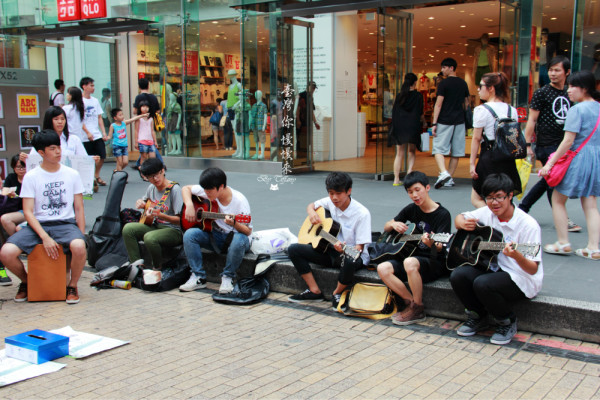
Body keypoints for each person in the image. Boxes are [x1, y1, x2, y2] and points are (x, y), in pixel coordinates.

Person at [450, 173, 543, 345]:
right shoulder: (487, 213)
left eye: (499, 197)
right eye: (489, 198)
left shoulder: (528, 225)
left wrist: (517, 255)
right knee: (458, 275)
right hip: (493, 267)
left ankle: (506, 321)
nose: (494, 203)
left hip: (521, 276)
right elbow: (459, 217)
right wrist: (461, 223)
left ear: (510, 196)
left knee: (482, 283)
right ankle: (478, 316)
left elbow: (532, 269)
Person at [0, 130, 87, 304]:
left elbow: (79, 208)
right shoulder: (31, 177)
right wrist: (44, 236)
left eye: (59, 147)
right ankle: (27, 281)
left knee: (79, 246)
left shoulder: (72, 174)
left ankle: (72, 285)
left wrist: (81, 234)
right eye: (52, 148)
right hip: (39, 225)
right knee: (6, 253)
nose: (58, 151)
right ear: (41, 153)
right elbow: (28, 212)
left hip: (65, 224)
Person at [287, 172, 371, 309]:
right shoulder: (329, 201)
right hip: (330, 251)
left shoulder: (362, 213)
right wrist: (312, 212)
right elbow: (311, 205)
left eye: (338, 193)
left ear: (349, 191)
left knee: (350, 259)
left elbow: (359, 249)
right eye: (331, 193)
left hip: (353, 255)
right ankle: (314, 291)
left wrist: (344, 251)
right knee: (293, 249)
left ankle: (337, 293)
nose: (334, 198)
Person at [539, 70, 600, 260]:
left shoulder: (576, 110)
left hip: (578, 158)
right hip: (595, 158)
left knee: (558, 200)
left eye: (574, 86)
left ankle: (563, 242)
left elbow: (567, 141)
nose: (569, 90)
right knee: (590, 204)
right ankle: (593, 247)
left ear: (585, 89)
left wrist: (550, 163)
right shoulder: (598, 107)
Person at [376, 171, 451, 325]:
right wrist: (393, 224)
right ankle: (412, 304)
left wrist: (431, 244)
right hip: (410, 259)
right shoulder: (411, 209)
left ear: (427, 187)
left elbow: (440, 248)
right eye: (410, 192)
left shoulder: (443, 214)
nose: (414, 195)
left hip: (433, 261)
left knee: (409, 262)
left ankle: (418, 307)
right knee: (383, 268)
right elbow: (386, 226)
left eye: (418, 190)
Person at [519, 56, 581, 232]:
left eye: (557, 70)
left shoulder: (569, 93)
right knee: (552, 179)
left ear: (567, 72)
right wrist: (528, 145)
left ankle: (524, 209)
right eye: (551, 70)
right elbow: (531, 120)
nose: (553, 74)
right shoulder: (542, 92)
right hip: (546, 144)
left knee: (550, 179)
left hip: (564, 144)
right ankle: (559, 217)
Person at [179, 167, 252, 294]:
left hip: (235, 238)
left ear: (221, 186)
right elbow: (186, 188)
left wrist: (234, 223)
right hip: (216, 236)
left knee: (239, 239)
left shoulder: (239, 201)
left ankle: (227, 277)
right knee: (189, 235)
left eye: (210, 190)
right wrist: (190, 205)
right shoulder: (208, 190)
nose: (206, 193)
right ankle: (198, 277)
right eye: (205, 190)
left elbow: (248, 231)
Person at [469, 72, 522, 208]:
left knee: (477, 198)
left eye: (481, 86)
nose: (478, 90)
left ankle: (495, 221)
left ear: (491, 88)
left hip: (489, 157)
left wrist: (471, 164)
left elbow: (476, 139)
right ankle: (506, 223)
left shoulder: (482, 110)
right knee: (504, 197)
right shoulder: (512, 110)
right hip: (507, 159)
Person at [122, 158, 183, 271]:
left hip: (174, 230)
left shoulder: (175, 189)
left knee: (149, 238)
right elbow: (145, 203)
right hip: (155, 225)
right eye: (150, 177)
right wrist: (141, 203)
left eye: (157, 174)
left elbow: (180, 220)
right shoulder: (151, 188)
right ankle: (136, 266)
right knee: (128, 229)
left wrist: (161, 216)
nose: (155, 179)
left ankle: (157, 268)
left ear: (163, 171)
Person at [431, 58, 470, 189]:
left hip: (444, 120)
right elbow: (467, 103)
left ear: (451, 68)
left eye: (444, 67)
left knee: (438, 149)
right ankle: (449, 178)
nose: (442, 70)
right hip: (459, 121)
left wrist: (434, 122)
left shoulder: (443, 84)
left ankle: (443, 173)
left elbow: (438, 104)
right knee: (456, 151)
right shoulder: (463, 83)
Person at [389, 73, 425, 186]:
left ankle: (396, 179)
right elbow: (420, 112)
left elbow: (394, 113)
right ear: (415, 82)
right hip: (412, 125)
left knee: (399, 153)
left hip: (400, 126)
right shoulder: (418, 96)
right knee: (411, 151)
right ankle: (409, 172)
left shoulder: (400, 95)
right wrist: (424, 122)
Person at [0, 155, 27, 286]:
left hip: (27, 211)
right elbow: (4, 192)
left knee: (13, 225)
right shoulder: (11, 178)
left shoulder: (31, 177)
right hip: (14, 211)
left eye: (23, 167)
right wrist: (9, 194)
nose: (21, 170)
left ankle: (18, 245)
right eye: (18, 167)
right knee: (4, 220)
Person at [80, 77, 109, 187]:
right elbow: (79, 119)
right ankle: (89, 178)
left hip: (96, 134)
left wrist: (103, 132)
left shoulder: (95, 101)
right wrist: (87, 132)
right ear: (84, 86)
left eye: (93, 85)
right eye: (91, 85)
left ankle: (96, 175)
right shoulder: (80, 101)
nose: (93, 88)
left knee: (101, 156)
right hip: (84, 136)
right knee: (88, 158)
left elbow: (99, 117)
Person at [295, 81, 320, 161]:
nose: (313, 90)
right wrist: (298, 120)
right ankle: (300, 157)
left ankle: (305, 158)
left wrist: (315, 122)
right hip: (302, 122)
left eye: (314, 88)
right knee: (301, 140)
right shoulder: (302, 95)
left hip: (308, 123)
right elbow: (297, 109)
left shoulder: (310, 97)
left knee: (307, 141)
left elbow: (311, 111)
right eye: (312, 88)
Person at [135, 100, 158, 165]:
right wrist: (136, 142)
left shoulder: (151, 118)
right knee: (143, 157)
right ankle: (143, 171)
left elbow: (152, 130)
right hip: (142, 140)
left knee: (153, 158)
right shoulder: (138, 118)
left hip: (150, 141)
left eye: (147, 107)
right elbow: (136, 130)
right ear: (140, 108)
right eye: (143, 106)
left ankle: (150, 173)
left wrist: (155, 141)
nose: (145, 108)